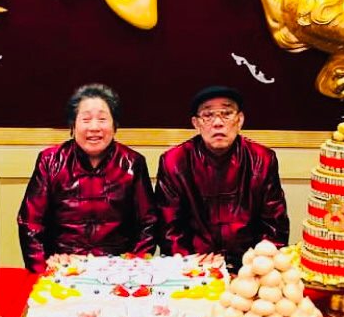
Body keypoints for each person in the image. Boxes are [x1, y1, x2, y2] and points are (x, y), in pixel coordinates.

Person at [17, 83, 158, 272]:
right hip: (64, 269)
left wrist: (133, 266)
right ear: (73, 124)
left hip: (117, 271)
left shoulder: (133, 163)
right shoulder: (50, 161)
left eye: (102, 119)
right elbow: (30, 223)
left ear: (115, 125)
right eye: (86, 119)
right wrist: (44, 268)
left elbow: (148, 224)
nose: (94, 127)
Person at [155, 85, 289, 269]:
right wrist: (191, 263)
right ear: (196, 123)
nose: (218, 122)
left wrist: (258, 263)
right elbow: (169, 229)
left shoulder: (262, 159)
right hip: (195, 265)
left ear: (240, 120)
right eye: (208, 115)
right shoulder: (174, 161)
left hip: (250, 266)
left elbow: (275, 225)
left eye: (226, 113)